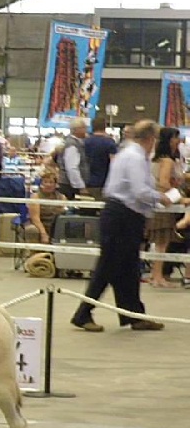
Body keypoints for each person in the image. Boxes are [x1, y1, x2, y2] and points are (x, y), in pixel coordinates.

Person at [70, 120, 187, 333]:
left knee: (128, 269)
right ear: (151, 138)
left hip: (125, 215)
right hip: (122, 215)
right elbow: (140, 191)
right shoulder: (134, 157)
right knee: (108, 267)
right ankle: (83, 312)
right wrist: (162, 197)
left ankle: (134, 315)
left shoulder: (131, 155)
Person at [145, 127, 184, 288]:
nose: (178, 141)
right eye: (176, 138)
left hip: (154, 202)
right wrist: (176, 194)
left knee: (159, 243)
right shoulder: (167, 160)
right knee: (162, 242)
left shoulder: (155, 158)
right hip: (164, 202)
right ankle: (158, 276)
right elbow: (163, 182)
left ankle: (156, 275)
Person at [23, 169, 66, 243]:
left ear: (55, 185)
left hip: (56, 225)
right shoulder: (35, 197)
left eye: (51, 182)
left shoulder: (62, 197)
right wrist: (43, 234)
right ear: (41, 183)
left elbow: (64, 214)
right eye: (45, 182)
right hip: (41, 224)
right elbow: (35, 218)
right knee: (32, 230)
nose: (48, 184)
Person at [83, 117, 117, 200]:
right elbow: (114, 163)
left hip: (86, 181)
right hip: (104, 182)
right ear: (105, 126)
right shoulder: (110, 142)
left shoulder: (85, 141)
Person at [55, 118, 89, 199]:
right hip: (69, 185)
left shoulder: (74, 142)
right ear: (76, 130)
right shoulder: (72, 144)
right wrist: (80, 186)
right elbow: (71, 168)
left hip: (70, 184)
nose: (86, 130)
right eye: (84, 128)